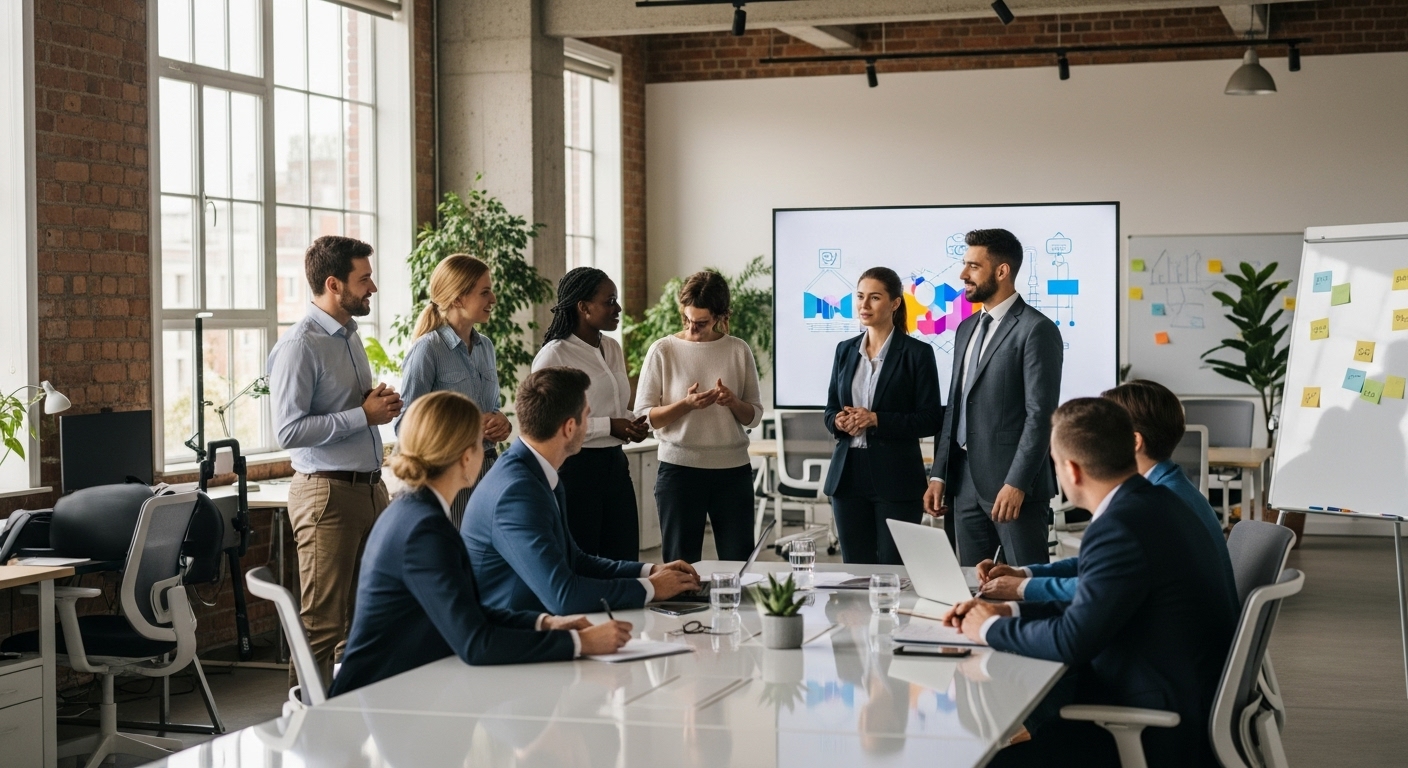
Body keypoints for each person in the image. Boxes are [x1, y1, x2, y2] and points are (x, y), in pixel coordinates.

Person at [942, 398, 1239, 768]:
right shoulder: (1158, 501)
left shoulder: (1120, 524)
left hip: (1154, 723)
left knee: (984, 760)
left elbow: (1072, 640)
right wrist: (1010, 611)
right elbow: (1100, 597)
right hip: (1179, 694)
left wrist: (986, 628)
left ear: (1071, 469)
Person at [329, 391, 632, 695]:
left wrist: (544, 623)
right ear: (466, 456)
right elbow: (476, 643)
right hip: (379, 697)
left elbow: (469, 611)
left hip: (402, 687)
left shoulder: (415, 511)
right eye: (480, 443)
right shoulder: (425, 529)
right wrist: (581, 643)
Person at [267, 235, 402, 687]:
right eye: (364, 279)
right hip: (326, 494)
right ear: (333, 284)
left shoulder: (349, 337)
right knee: (322, 623)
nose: (373, 288)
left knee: (368, 616)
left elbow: (347, 410)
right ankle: (304, 717)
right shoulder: (300, 345)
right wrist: (362, 415)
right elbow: (288, 431)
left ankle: (352, 714)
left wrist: (375, 405)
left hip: (370, 489)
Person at [465, 367, 703, 615]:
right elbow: (564, 596)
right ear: (570, 427)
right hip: (516, 630)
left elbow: (575, 560)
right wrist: (652, 588)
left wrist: (650, 571)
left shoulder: (536, 471)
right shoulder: (516, 492)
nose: (588, 425)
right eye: (587, 417)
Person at [978, 379, 1236, 602]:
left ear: (1133, 441)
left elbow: (1100, 587)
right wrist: (1025, 573)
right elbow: (1101, 567)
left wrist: (1023, 588)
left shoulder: (1157, 504)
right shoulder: (1167, 487)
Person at [923, 228, 1063, 567]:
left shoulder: (1036, 329)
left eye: (973, 266)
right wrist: (939, 474)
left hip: (1012, 487)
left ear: (1001, 271)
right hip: (963, 484)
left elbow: (1040, 415)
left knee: (1024, 581)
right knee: (975, 584)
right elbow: (955, 406)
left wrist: (1017, 482)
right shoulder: (966, 328)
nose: (963, 274)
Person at [633, 271, 765, 563]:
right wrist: (686, 405)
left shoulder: (738, 349)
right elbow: (644, 418)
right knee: (680, 567)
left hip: (733, 472)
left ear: (719, 316)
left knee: (739, 564)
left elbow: (754, 416)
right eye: (688, 319)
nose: (692, 328)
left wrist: (733, 402)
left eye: (701, 322)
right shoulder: (663, 350)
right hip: (679, 472)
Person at [823, 267, 942, 564]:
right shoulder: (844, 350)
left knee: (894, 571)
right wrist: (837, 421)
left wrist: (876, 419)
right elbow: (830, 409)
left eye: (874, 297)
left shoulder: (917, 353)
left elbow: (930, 418)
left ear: (895, 303)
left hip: (897, 478)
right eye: (860, 296)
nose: (864, 305)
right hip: (847, 476)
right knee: (855, 571)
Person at [532, 267, 649, 561]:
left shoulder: (612, 347)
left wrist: (631, 423)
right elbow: (548, 424)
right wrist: (610, 426)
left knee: (624, 557)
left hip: (615, 466)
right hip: (576, 470)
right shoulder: (555, 354)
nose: (618, 308)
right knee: (582, 562)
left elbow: (613, 408)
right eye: (610, 301)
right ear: (583, 307)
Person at [396, 254, 514, 527]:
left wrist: (502, 422)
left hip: (488, 473)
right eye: (485, 292)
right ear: (458, 299)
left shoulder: (486, 347)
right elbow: (405, 426)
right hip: (448, 476)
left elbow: (491, 408)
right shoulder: (427, 350)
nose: (493, 299)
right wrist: (467, 427)